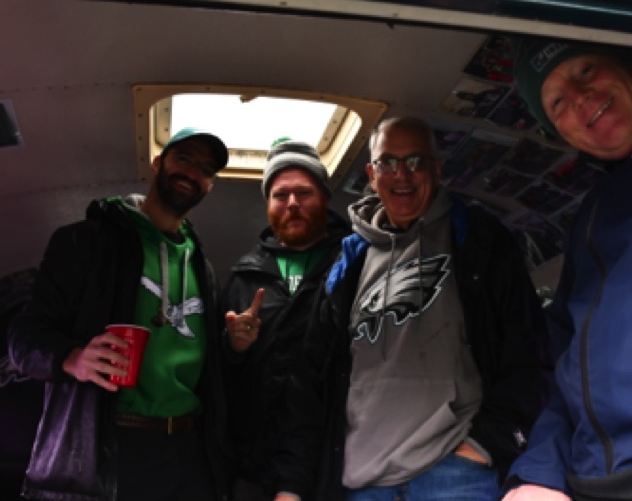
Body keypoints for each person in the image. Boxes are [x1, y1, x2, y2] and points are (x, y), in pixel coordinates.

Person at [271, 116, 552, 501]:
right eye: (387, 162)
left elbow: (529, 352)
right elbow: (309, 386)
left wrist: (486, 444)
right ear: (372, 175)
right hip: (362, 481)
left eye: (415, 161)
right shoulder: (346, 265)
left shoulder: (480, 240)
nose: (401, 174)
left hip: (456, 472)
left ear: (437, 169)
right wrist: (292, 486)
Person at [8, 127, 231, 501]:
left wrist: (233, 344)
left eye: (205, 170)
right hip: (108, 446)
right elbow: (23, 338)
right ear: (156, 163)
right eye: (184, 159)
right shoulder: (85, 241)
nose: (193, 173)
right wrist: (71, 357)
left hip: (188, 452)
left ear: (209, 187)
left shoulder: (203, 270)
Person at [502, 38, 632, 500]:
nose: (579, 98)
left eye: (586, 70)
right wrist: (540, 472)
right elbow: (567, 356)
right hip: (594, 478)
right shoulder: (593, 214)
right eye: (557, 102)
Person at [221, 139, 350, 501]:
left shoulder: (356, 263)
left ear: (324, 198)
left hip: (337, 460)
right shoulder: (244, 277)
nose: (292, 203)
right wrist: (234, 348)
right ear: (268, 205)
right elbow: (221, 382)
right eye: (280, 195)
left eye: (304, 192)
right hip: (255, 467)